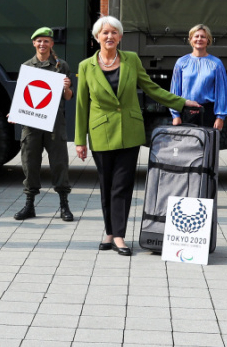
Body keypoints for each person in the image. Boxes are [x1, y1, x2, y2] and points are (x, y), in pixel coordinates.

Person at [75, 15, 200, 256]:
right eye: (105, 33)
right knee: (106, 186)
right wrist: (80, 140)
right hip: (101, 133)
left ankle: (119, 236)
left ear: (120, 37)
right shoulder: (85, 66)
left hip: (129, 133)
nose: (109, 36)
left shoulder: (131, 60)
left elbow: (152, 88)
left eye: (114, 33)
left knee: (121, 186)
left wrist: (181, 102)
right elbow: (82, 106)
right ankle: (109, 232)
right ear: (97, 38)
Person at [14, 27, 74, 222]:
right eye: (39, 41)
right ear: (34, 43)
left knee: (59, 163)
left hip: (54, 121)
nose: (42, 44)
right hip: (31, 123)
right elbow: (22, 97)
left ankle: (64, 205)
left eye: (46, 41)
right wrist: (14, 111)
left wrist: (66, 88)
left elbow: (68, 97)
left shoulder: (60, 65)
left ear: (51, 44)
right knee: (30, 162)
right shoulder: (27, 66)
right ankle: (29, 205)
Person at [169, 24, 227, 131]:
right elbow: (175, 90)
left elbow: (222, 92)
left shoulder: (216, 63)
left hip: (207, 112)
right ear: (191, 39)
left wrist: (220, 117)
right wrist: (176, 115)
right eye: (196, 36)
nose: (199, 39)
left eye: (203, 36)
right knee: (187, 146)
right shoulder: (181, 62)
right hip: (186, 111)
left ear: (208, 40)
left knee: (207, 145)